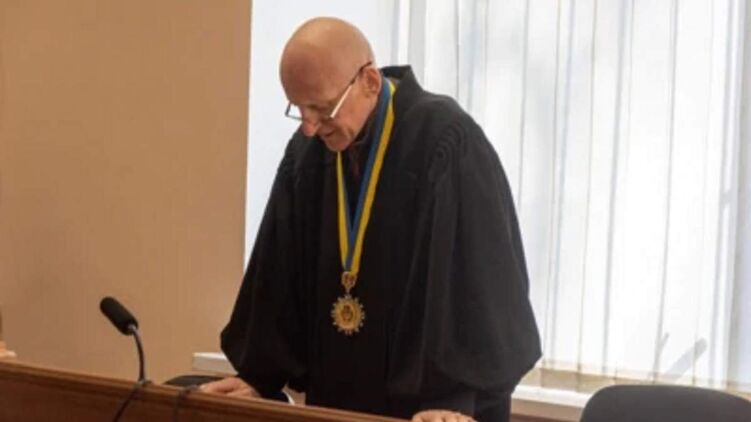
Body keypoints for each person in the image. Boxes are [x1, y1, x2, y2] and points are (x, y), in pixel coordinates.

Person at [201, 17, 541, 422]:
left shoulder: (445, 142)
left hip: (431, 412)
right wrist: (259, 376)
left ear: (370, 82)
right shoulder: (307, 155)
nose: (309, 127)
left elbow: (477, 285)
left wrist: (453, 397)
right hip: (335, 401)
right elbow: (278, 272)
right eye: (299, 109)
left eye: (322, 108)